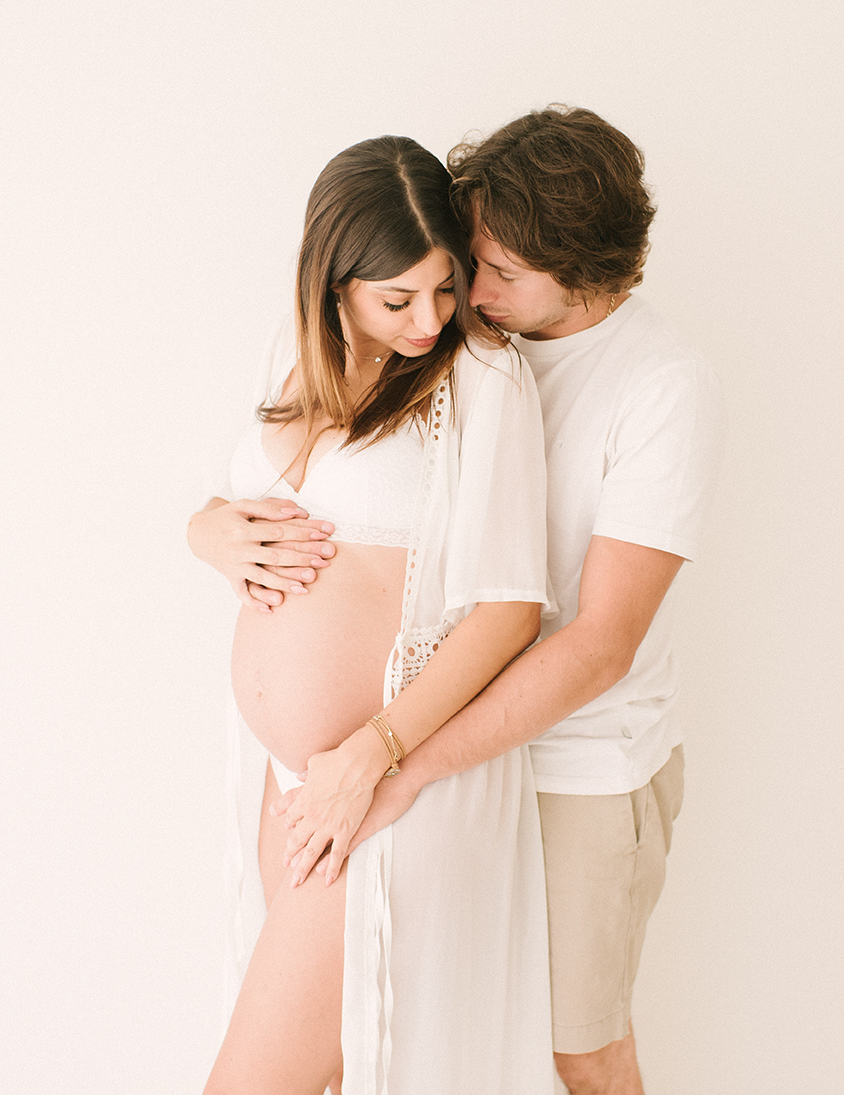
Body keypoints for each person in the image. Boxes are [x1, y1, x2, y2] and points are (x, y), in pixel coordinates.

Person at [260, 107, 723, 1095]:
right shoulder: (455, 334)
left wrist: (393, 760)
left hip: (572, 765)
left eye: (501, 273)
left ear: (592, 278)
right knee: (403, 1031)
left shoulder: (659, 388)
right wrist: (214, 530)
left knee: (575, 1047)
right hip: (430, 754)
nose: (467, 290)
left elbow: (597, 641)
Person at [188, 136, 561, 1095]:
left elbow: (511, 608)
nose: (430, 319)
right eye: (397, 299)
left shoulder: (481, 377)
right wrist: (208, 530)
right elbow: (241, 503)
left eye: (443, 289)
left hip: (383, 784)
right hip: (284, 779)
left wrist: (375, 749)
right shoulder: (292, 352)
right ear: (334, 280)